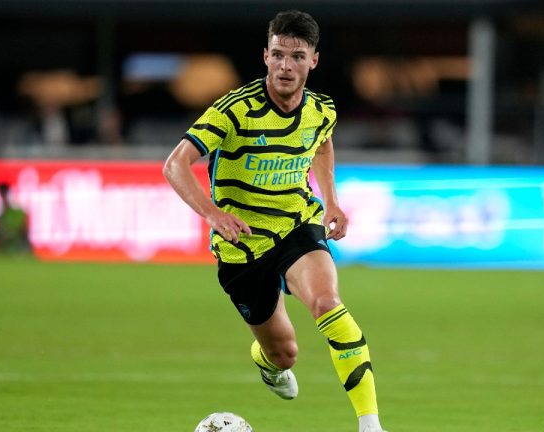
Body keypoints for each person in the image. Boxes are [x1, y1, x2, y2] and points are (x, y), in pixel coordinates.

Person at [163, 10, 387, 432]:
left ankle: (370, 424)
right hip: (242, 246)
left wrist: (331, 201)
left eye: (297, 57)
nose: (286, 66)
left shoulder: (321, 110)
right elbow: (175, 165)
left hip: (296, 224)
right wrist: (213, 214)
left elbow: (322, 143)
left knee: (327, 303)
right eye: (279, 55)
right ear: (265, 56)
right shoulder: (234, 110)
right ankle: (268, 364)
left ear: (313, 61)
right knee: (284, 354)